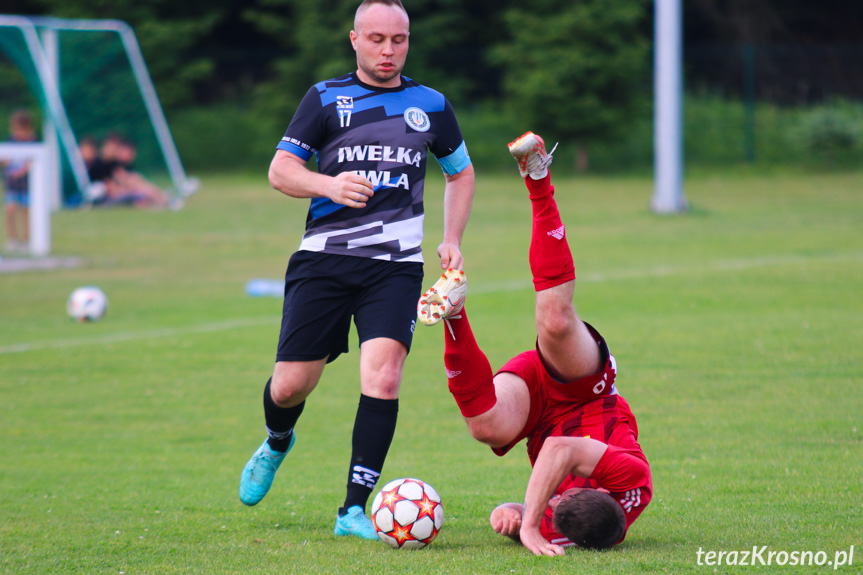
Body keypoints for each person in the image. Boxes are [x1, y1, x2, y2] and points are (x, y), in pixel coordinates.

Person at [238, 0, 475, 541]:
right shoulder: (325, 98)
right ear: (354, 40)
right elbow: (280, 170)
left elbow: (460, 174)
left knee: (384, 376)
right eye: (376, 39)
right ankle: (277, 440)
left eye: (398, 39)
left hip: (394, 267)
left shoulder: (431, 104)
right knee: (291, 385)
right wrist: (328, 185)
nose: (388, 50)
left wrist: (451, 239)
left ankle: (352, 510)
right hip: (323, 260)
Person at [419, 132, 651, 556]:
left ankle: (454, 313)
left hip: (540, 415)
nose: (555, 499)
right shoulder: (630, 479)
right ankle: (539, 180)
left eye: (554, 503)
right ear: (596, 488)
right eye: (561, 497)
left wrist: (509, 516)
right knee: (556, 321)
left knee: (486, 426)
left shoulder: (568, 528)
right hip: (587, 392)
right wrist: (528, 529)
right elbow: (562, 451)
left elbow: (521, 505)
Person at [3, 110, 37, 253]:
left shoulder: (33, 141)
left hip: (26, 185)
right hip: (12, 184)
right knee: (10, 210)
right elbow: (4, 159)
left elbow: (33, 162)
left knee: (26, 212)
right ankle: (12, 239)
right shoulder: (10, 141)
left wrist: (22, 171)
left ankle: (25, 240)